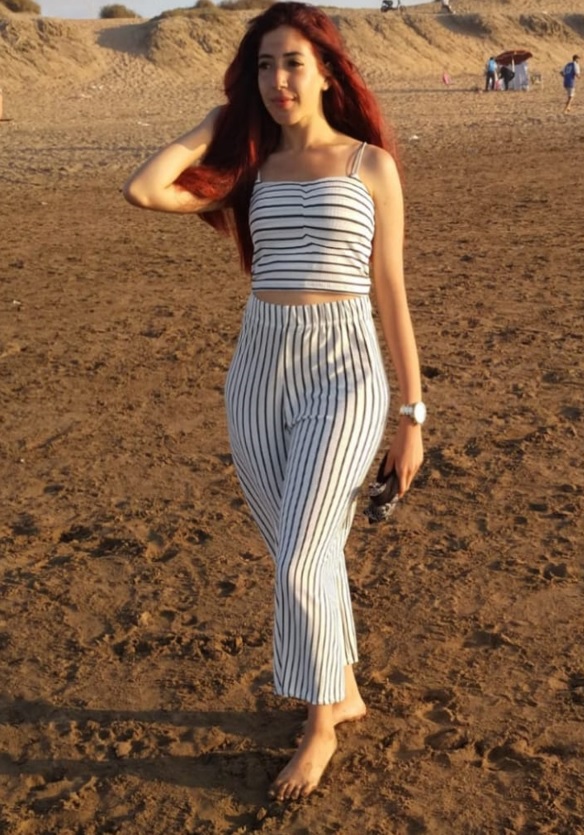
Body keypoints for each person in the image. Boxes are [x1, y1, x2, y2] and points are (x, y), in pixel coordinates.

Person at [123, 1, 424, 802]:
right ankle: (343, 688)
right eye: (262, 66)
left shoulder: (369, 166)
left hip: (344, 368)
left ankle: (321, 723)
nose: (277, 79)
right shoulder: (250, 169)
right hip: (258, 366)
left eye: (291, 62)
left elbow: (390, 291)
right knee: (304, 550)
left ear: (326, 70)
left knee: (299, 558)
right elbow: (143, 189)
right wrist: (214, 123)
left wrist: (412, 415)